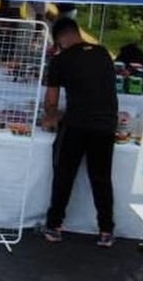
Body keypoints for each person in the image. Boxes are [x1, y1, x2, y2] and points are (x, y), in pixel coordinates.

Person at [42, 18, 119, 247]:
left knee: (64, 175)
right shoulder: (103, 53)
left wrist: (50, 117)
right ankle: (106, 230)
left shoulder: (60, 61)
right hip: (106, 125)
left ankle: (54, 225)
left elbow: (51, 101)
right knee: (101, 178)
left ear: (60, 40)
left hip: (77, 124)